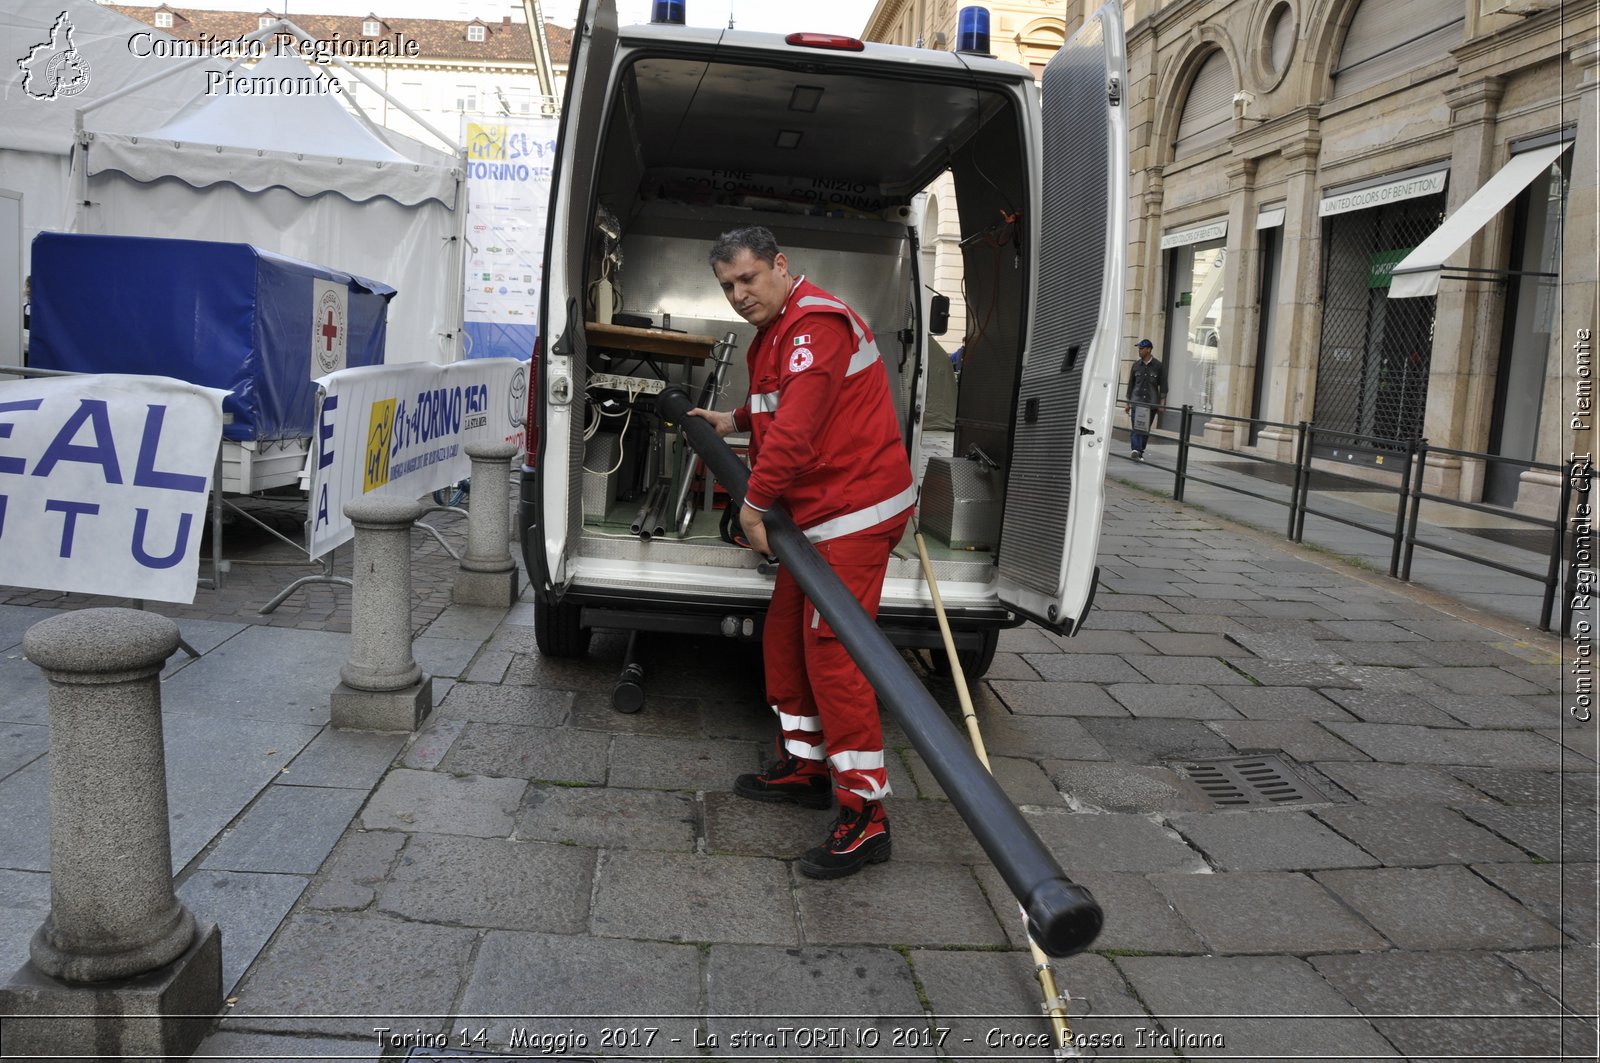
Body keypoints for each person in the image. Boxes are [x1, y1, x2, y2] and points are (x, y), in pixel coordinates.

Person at [688, 226, 914, 879]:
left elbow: (800, 428)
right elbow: (780, 409)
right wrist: (733, 422)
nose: (738, 294)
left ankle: (866, 815)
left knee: (834, 653)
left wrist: (753, 504)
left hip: (855, 515)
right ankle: (809, 767)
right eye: (728, 285)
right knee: (785, 637)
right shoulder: (780, 333)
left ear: (781, 266)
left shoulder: (816, 326)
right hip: (819, 520)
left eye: (749, 278)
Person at [1125, 338, 1166, 460]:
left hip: (1151, 402)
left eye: (1142, 349)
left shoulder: (1158, 366)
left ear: (1149, 350)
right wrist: (1128, 403)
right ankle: (1135, 450)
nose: (1140, 351)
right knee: (1137, 427)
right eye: (1139, 349)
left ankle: (1139, 451)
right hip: (1136, 401)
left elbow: (1163, 386)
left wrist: (1162, 404)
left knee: (1145, 429)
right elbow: (1131, 384)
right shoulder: (1136, 365)